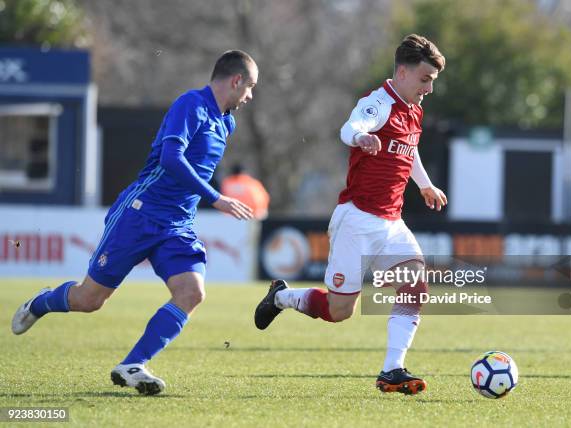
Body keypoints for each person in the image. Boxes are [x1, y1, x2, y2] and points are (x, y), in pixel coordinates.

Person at [11, 50, 258, 395]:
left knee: (192, 292)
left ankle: (133, 364)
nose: (249, 96)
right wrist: (215, 198)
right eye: (250, 87)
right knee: (89, 300)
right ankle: (41, 302)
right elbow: (171, 159)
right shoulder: (191, 105)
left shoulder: (224, 121)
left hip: (177, 225)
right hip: (140, 213)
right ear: (236, 81)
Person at [254, 34, 447, 395]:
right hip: (357, 220)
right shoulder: (378, 103)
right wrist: (361, 138)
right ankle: (281, 297)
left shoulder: (414, 109)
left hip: (392, 221)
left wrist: (424, 184)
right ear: (402, 73)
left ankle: (392, 369)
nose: (429, 89)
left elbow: (410, 149)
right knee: (339, 311)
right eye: (425, 80)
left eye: (432, 82)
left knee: (416, 284)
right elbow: (350, 128)